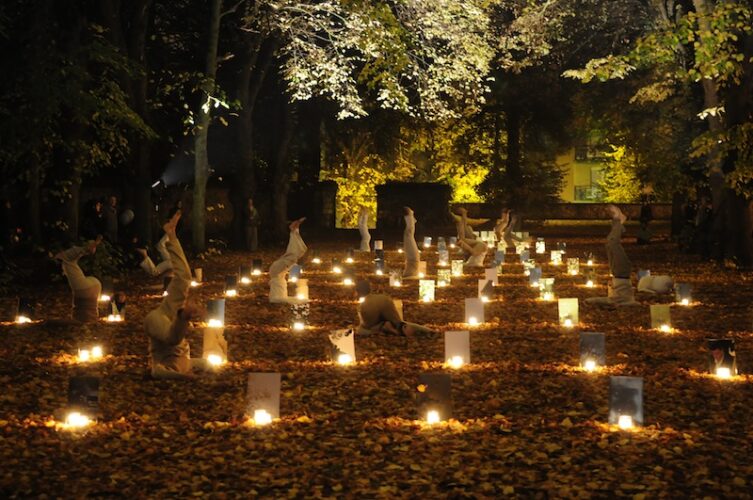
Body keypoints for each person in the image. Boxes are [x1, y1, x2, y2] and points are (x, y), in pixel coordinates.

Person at [144, 211, 208, 379]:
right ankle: (171, 236)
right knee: (184, 279)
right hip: (168, 318)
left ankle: (171, 235)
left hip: (160, 319)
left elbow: (171, 341)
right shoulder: (182, 365)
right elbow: (174, 339)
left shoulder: (164, 368)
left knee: (184, 278)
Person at [586, 205, 638, 306]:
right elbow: (605, 300)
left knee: (609, 244)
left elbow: (604, 300)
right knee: (612, 242)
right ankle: (617, 219)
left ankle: (619, 221)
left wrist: (590, 300)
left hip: (617, 273)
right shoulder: (623, 300)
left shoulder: (616, 299)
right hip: (622, 271)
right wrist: (590, 300)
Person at [55, 236, 104, 323]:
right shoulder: (66, 259)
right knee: (87, 307)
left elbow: (78, 251)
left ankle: (85, 320)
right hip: (94, 284)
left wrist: (89, 247)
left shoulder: (67, 255)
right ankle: (90, 320)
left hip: (86, 286)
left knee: (81, 305)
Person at [357, 293, 435, 336]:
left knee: (399, 324)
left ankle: (427, 331)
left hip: (375, 308)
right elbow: (400, 323)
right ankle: (428, 331)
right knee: (400, 324)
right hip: (380, 305)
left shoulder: (366, 324)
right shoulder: (379, 306)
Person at [269, 217, 307, 303]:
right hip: (277, 271)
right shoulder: (292, 261)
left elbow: (294, 276)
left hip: (277, 272)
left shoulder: (293, 264)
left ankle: (294, 230)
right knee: (294, 253)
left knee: (295, 253)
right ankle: (294, 230)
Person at [402, 206, 421, 279]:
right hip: (413, 261)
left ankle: (410, 215)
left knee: (408, 234)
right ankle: (410, 215)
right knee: (408, 234)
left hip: (412, 262)